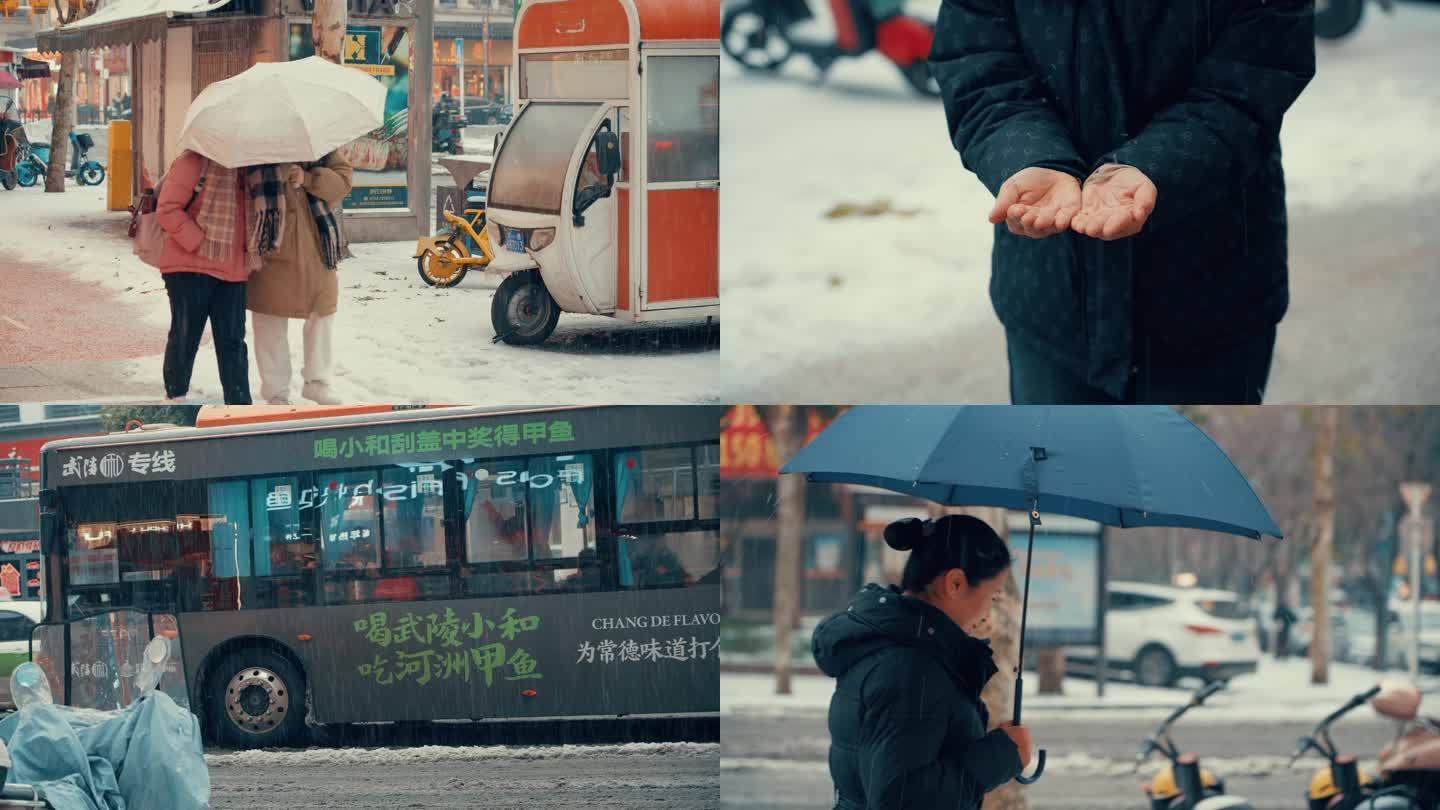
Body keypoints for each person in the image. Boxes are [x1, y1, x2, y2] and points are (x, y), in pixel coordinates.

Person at [931, 1, 1315, 405]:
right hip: (1051, 298)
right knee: (1051, 461)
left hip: (1211, 294)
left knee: (1184, 460)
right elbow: (976, 60)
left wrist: (1153, 166)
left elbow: (1251, 77)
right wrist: (1028, 156)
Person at [813, 515, 1030, 809]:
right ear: (955, 583)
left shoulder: (898, 644)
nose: (987, 614)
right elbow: (901, 799)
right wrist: (1001, 756)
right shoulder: (913, 668)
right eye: (992, 597)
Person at [243, 152, 354, 404]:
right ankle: (276, 391)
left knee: (322, 314)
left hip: (317, 247)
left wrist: (307, 177)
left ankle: (318, 382)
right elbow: (237, 189)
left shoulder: (318, 142)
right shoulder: (253, 143)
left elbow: (343, 182)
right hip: (270, 243)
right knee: (269, 319)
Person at [155, 150, 255, 404]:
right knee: (186, 335)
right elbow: (167, 209)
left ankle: (240, 406)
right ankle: (175, 397)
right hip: (190, 266)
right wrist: (199, 241)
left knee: (232, 341)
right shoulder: (192, 162)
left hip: (232, 269)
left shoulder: (250, 171)